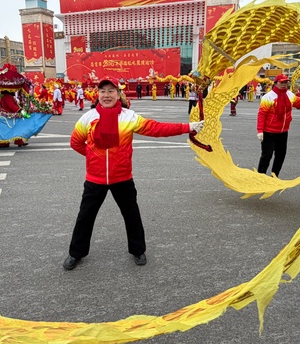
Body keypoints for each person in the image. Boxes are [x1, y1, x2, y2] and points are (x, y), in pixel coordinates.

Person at [63, 77, 204, 270]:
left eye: (111, 91)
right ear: (98, 94)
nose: (106, 95)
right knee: (85, 217)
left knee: (132, 216)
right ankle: (76, 253)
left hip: (122, 178)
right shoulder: (88, 118)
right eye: (103, 91)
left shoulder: (129, 117)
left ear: (118, 94)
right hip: (95, 180)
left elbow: (156, 128)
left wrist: (187, 127)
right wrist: (94, 156)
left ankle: (138, 250)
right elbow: (76, 142)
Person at [256, 73, 300, 177]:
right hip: (269, 132)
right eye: (282, 82)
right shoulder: (268, 97)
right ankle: (260, 176)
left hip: (283, 132)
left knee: (280, 155)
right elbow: (262, 114)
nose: (284, 84)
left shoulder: (289, 95)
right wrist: (260, 130)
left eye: (286, 82)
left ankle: (274, 176)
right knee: (267, 156)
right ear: (276, 83)